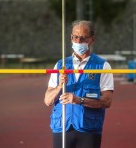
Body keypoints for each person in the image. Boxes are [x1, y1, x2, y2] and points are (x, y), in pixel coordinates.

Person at [44, 20, 114, 148]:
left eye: (82, 38)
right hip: (62, 127)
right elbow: (47, 100)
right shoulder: (61, 65)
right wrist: (60, 86)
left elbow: (107, 101)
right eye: (75, 37)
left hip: (88, 128)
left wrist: (79, 100)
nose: (78, 41)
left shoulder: (102, 66)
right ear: (71, 38)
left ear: (91, 40)